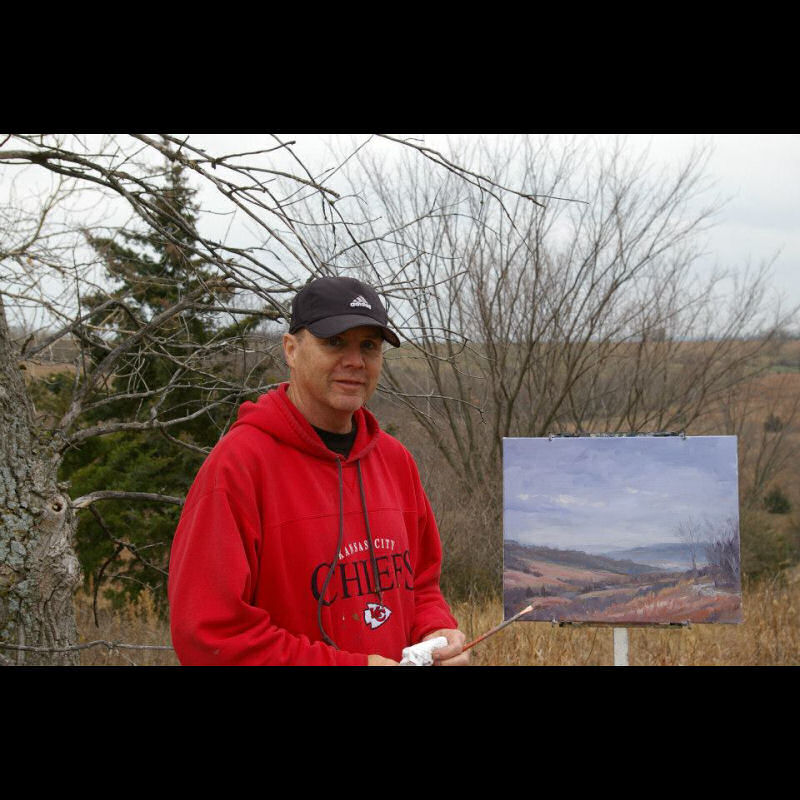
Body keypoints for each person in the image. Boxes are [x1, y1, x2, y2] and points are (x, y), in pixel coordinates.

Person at [168, 276, 467, 666]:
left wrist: (434, 632)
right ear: (291, 350)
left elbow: (421, 585)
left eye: (369, 346)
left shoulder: (395, 462)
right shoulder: (239, 465)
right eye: (335, 342)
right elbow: (209, 635)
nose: (355, 361)